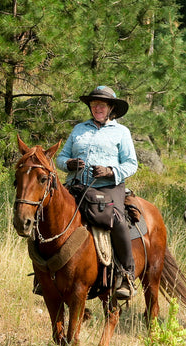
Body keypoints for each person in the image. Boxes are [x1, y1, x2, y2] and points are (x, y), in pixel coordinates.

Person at [54, 85, 139, 300]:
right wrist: (69, 164)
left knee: (118, 220)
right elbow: (60, 157)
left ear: (111, 108)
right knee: (49, 213)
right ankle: (44, 274)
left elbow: (131, 164)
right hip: (75, 186)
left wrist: (110, 171)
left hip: (108, 188)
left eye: (102, 104)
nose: (97, 108)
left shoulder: (122, 132)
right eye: (93, 104)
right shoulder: (78, 129)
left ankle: (126, 274)